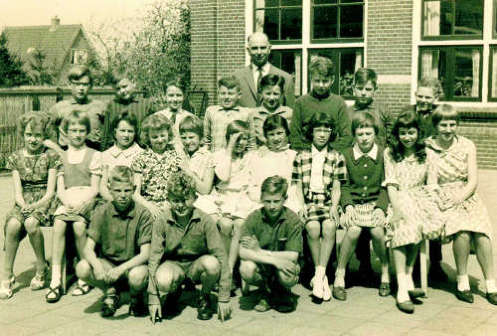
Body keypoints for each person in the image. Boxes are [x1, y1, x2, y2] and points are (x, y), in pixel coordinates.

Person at [426, 104, 497, 306]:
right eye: (443, 125)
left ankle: (491, 284)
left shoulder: (467, 145)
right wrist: (443, 200)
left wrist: (460, 196)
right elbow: (431, 182)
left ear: (458, 125)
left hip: (467, 194)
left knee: (482, 233)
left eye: (452, 124)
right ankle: (462, 281)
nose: (448, 130)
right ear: (435, 126)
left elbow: (473, 180)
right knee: (462, 232)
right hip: (443, 197)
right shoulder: (430, 148)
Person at [147, 171, 232, 323]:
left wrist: (224, 297)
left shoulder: (205, 220)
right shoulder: (161, 221)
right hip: (174, 265)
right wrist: (153, 297)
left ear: (195, 198)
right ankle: (173, 293)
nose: (180, 205)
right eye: (175, 200)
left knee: (212, 264)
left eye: (185, 199)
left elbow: (221, 255)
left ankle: (204, 297)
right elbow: (154, 257)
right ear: (168, 199)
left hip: (196, 265)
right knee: (164, 279)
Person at [384, 110, 444, 314]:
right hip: (399, 198)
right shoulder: (390, 153)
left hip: (420, 197)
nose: (407, 137)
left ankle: (409, 276)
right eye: (403, 133)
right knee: (403, 226)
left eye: (411, 132)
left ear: (418, 132)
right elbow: (391, 185)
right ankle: (402, 287)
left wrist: (434, 203)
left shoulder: (427, 154)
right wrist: (397, 210)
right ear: (397, 133)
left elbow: (432, 183)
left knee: (421, 223)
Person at [75, 166, 152, 317]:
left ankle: (136, 296)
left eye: (127, 190)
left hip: (133, 266)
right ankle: (110, 292)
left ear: (134, 189)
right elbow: (88, 249)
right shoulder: (102, 211)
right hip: (109, 265)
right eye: (117, 191)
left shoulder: (143, 213)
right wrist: (97, 267)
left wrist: (121, 269)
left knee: (137, 277)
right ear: (110, 189)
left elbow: (145, 254)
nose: (122, 195)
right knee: (83, 267)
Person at [0, 113, 61, 299]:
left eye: (38, 135)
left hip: (45, 201)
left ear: (44, 136)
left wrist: (36, 205)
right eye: (29, 135)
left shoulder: (50, 156)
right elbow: (18, 191)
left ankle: (41, 268)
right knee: (12, 225)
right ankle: (6, 275)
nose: (33, 139)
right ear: (23, 135)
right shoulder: (15, 157)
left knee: (31, 224)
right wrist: (24, 205)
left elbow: (51, 191)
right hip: (24, 200)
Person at [333, 112, 390, 301]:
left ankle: (385, 270)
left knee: (377, 232)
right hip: (354, 204)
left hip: (375, 203)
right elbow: (345, 184)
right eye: (360, 134)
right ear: (354, 135)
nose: (364, 138)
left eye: (368, 133)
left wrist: (381, 208)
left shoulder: (383, 154)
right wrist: (347, 206)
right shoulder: (347, 155)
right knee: (354, 230)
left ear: (375, 134)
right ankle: (340, 273)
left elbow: (386, 185)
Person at [46, 110, 102, 303]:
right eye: (73, 130)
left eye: (81, 130)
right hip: (67, 198)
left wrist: (81, 204)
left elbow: (95, 188)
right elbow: (60, 189)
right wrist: (67, 202)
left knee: (79, 226)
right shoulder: (60, 156)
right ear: (66, 133)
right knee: (59, 223)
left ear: (87, 132)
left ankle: (83, 275)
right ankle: (55, 278)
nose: (77, 134)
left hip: (87, 199)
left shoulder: (94, 155)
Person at [292, 112, 346, 302]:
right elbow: (297, 186)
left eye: (326, 130)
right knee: (313, 227)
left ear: (331, 133)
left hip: (328, 202)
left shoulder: (336, 156)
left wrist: (334, 206)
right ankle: (320, 275)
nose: (322, 134)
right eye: (318, 130)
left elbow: (338, 187)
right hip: (309, 202)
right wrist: (301, 205)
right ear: (311, 132)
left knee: (330, 226)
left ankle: (319, 275)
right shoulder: (301, 156)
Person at [348, 68, 394, 284]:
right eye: (359, 88)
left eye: (368, 89)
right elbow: (345, 141)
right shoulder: (348, 112)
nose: (363, 93)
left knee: (374, 215)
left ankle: (375, 263)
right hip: (357, 167)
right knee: (359, 216)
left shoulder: (383, 111)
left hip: (379, 167)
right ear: (352, 88)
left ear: (375, 89)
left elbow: (393, 137)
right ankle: (364, 263)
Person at [239, 176, 303, 313]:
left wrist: (258, 251)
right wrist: (274, 260)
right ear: (261, 199)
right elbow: (242, 252)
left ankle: (281, 290)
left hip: (283, 265)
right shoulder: (253, 218)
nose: (272, 206)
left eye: (276, 201)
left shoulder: (293, 220)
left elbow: (292, 256)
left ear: (284, 199)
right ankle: (266, 291)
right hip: (263, 266)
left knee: (288, 272)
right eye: (267, 201)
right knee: (246, 268)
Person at [407, 77, 448, 284]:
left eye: (427, 97)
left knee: (434, 213)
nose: (423, 100)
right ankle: (412, 265)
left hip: (434, 170)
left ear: (436, 97)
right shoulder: (409, 112)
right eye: (419, 96)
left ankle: (436, 263)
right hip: (413, 170)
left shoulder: (439, 115)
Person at [205, 121, 258, 277]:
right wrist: (229, 150)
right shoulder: (220, 155)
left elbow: (253, 180)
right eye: (238, 139)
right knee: (226, 225)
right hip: (223, 196)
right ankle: (222, 265)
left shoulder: (250, 157)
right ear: (229, 138)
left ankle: (229, 269)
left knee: (240, 225)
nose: (241, 143)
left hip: (242, 198)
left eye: (245, 139)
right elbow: (223, 175)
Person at [289, 56, 352, 152]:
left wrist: (329, 153)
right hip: (306, 155)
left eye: (325, 81)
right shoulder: (301, 103)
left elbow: (347, 137)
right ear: (311, 78)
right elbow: (294, 136)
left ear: (332, 80)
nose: (321, 85)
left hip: (331, 157)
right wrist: (309, 152)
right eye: (317, 81)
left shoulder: (339, 103)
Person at [131, 113, 182, 219]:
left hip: (172, 205)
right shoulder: (140, 158)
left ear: (168, 134)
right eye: (154, 137)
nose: (159, 140)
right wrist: (150, 207)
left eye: (162, 135)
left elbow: (181, 185)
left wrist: (171, 203)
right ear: (148, 137)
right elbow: (135, 194)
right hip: (147, 206)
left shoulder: (177, 156)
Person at [248, 115, 301, 214]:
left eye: (280, 133)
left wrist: (280, 200)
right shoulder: (257, 157)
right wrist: (267, 200)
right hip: (261, 202)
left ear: (286, 133)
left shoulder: (294, 156)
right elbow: (252, 185)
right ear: (266, 136)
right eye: (271, 134)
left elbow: (296, 186)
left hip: (287, 202)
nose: (276, 138)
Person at [47, 65, 106, 151]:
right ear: (69, 85)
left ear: (90, 86)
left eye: (85, 84)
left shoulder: (99, 107)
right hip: (67, 153)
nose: (81, 88)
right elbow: (46, 127)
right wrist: (56, 148)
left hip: (93, 152)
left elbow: (110, 131)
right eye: (77, 84)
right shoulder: (60, 107)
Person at [233, 32, 295, 108]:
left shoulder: (286, 78)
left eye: (263, 48)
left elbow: (290, 113)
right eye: (254, 48)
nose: (259, 52)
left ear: (269, 49)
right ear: (248, 51)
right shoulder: (237, 77)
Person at [101, 75, 154, 150]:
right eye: (118, 89)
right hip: (118, 151)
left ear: (133, 83)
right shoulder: (112, 106)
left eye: (124, 86)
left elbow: (153, 131)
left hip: (141, 150)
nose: (122, 91)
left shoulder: (146, 104)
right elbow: (105, 134)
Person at [100, 112, 144, 202]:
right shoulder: (104, 156)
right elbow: (102, 187)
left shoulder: (142, 155)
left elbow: (138, 190)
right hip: (109, 201)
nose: (126, 135)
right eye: (122, 131)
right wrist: (114, 201)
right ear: (115, 132)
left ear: (135, 133)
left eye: (130, 131)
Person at [203, 76, 253, 152]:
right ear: (218, 94)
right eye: (223, 93)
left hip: (237, 160)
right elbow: (206, 140)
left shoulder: (246, 113)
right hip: (216, 158)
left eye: (231, 93)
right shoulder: (211, 111)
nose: (226, 97)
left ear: (239, 95)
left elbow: (251, 142)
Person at [249, 74, 293, 147]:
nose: (271, 98)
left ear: (282, 94)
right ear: (261, 93)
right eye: (268, 94)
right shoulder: (254, 114)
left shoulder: (289, 113)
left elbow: (293, 138)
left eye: (276, 94)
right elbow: (251, 143)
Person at [154, 76, 196, 143]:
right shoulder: (157, 116)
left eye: (179, 95)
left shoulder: (191, 117)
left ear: (184, 96)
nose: (175, 99)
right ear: (165, 96)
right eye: (171, 95)